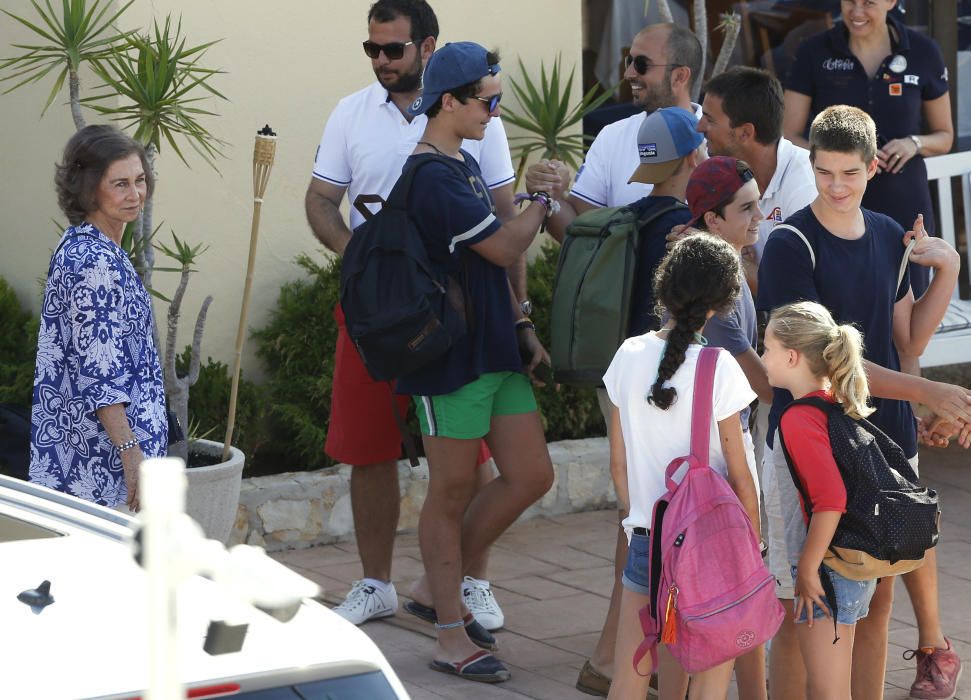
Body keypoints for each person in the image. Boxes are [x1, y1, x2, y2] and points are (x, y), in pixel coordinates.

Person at [304, 0, 517, 629]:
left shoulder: (478, 111)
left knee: (470, 451)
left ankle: (471, 581)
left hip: (457, 309)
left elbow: (504, 214)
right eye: (371, 48)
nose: (380, 60)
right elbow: (320, 198)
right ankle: (376, 585)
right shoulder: (350, 112)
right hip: (378, 311)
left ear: (427, 46)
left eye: (392, 49)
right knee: (368, 447)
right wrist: (363, 259)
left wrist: (518, 313)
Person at [758, 105, 966, 700]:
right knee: (802, 608)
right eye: (824, 172)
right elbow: (826, 364)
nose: (837, 186)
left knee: (876, 601)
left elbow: (909, 341)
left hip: (886, 440)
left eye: (849, 173)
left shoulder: (886, 233)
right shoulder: (790, 244)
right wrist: (929, 392)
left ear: (873, 168)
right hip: (810, 445)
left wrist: (948, 270)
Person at [396, 41, 554, 683]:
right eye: (487, 101)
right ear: (449, 102)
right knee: (452, 489)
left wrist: (521, 324)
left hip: (492, 348)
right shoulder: (431, 176)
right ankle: (448, 636)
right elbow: (504, 246)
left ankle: (435, 587)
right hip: (449, 359)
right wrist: (541, 200)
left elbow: (487, 266)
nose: (495, 111)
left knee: (532, 474)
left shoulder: (460, 164)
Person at [604, 233, 761, 700]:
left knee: (628, 680)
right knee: (708, 685)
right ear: (722, 304)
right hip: (711, 547)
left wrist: (637, 522)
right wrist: (752, 547)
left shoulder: (628, 355)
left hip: (647, 539)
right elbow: (740, 477)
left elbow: (618, 465)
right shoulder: (720, 366)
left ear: (665, 287)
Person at [29, 124, 165, 513]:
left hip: (93, 463)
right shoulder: (94, 262)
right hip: (104, 474)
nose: (135, 194)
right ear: (89, 189)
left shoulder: (86, 245)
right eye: (120, 184)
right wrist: (131, 454)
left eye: (139, 180)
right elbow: (101, 375)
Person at [782, 0, 953, 303]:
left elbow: (944, 136)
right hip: (838, 201)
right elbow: (789, 134)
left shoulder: (923, 51)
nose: (857, 12)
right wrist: (838, 161)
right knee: (840, 308)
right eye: (850, 1)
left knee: (907, 312)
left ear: (891, 2)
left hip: (904, 204)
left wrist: (913, 143)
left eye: (869, 3)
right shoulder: (814, 51)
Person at [764, 300, 879, 700]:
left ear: (791, 356)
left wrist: (808, 569)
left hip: (827, 573)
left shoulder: (798, 417)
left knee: (829, 693)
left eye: (767, 348)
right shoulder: (833, 403)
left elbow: (831, 498)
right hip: (851, 565)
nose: (763, 358)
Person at [525, 22, 703, 244]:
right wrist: (548, 193)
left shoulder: (718, 139)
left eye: (641, 64)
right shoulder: (613, 136)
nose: (628, 73)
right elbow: (580, 230)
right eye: (629, 61)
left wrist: (705, 244)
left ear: (679, 76)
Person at [696, 67, 816, 297]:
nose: (699, 126)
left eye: (709, 119)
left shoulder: (805, 186)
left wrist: (725, 255)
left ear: (745, 133)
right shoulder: (717, 169)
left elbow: (796, 296)